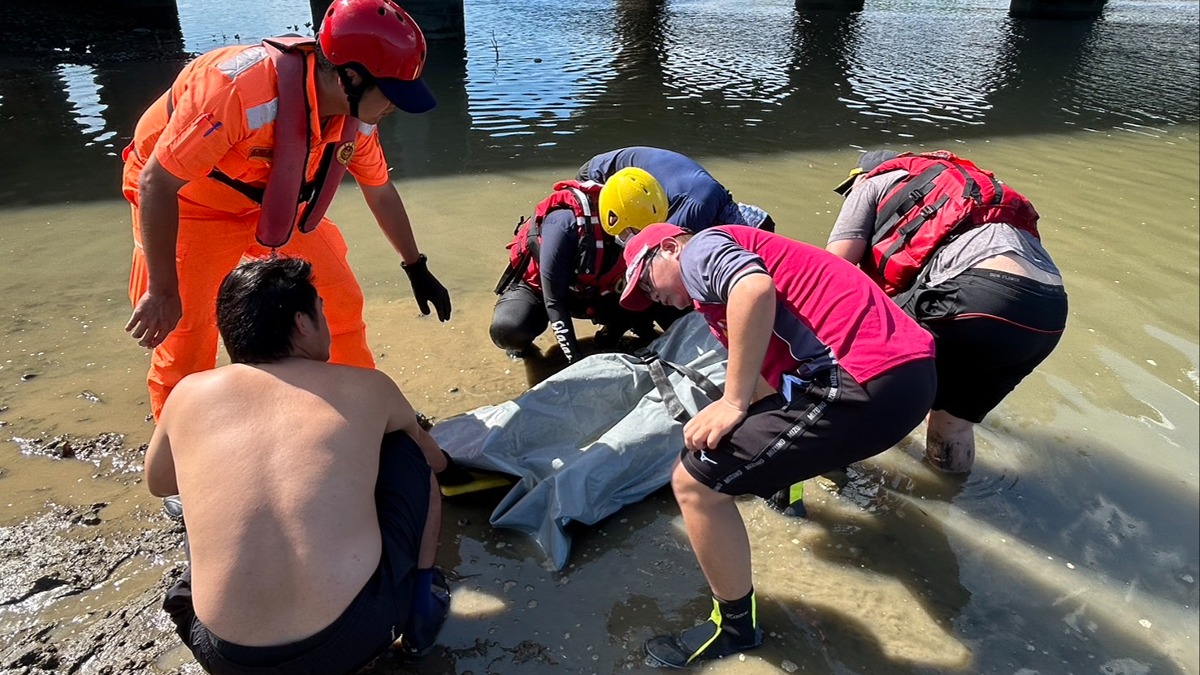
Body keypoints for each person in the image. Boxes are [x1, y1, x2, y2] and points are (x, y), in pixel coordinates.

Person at [618, 224, 936, 667]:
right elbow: (772, 388)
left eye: (648, 281)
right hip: (907, 378)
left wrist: (731, 402)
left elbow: (754, 288)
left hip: (863, 380)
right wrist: (739, 417)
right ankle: (789, 495)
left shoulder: (701, 250)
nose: (652, 298)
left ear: (670, 247)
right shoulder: (724, 293)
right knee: (753, 427)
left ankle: (733, 631)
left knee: (694, 483)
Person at [121, 0, 451, 421]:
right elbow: (156, 183)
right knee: (183, 336)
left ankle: (363, 415)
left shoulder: (356, 117)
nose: (395, 107)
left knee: (339, 302)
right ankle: (178, 453)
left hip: (275, 202)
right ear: (350, 77)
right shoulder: (236, 91)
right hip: (189, 205)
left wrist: (415, 265)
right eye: (391, 95)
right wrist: (162, 291)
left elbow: (380, 191)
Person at [144, 257, 451, 673]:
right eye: (321, 310)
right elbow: (433, 460)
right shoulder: (367, 385)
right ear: (303, 323)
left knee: (206, 490)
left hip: (225, 657)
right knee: (407, 450)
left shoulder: (188, 393)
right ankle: (420, 608)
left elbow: (161, 483)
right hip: (347, 642)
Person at [827, 149, 1068, 474]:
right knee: (952, 424)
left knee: (857, 369)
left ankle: (828, 467)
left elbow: (834, 272)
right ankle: (949, 496)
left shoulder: (873, 182)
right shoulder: (967, 188)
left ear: (863, 175)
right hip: (1049, 312)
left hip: (975, 293)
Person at [488, 179, 665, 363]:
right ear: (613, 218)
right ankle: (523, 348)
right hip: (543, 290)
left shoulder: (631, 226)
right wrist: (575, 360)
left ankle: (610, 336)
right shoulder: (563, 224)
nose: (639, 239)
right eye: (635, 232)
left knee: (661, 287)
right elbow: (554, 302)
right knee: (509, 330)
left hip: (595, 290)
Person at [576, 146, 775, 245]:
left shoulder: (715, 196)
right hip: (597, 177)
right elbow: (658, 249)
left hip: (612, 170)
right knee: (633, 245)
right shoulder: (698, 208)